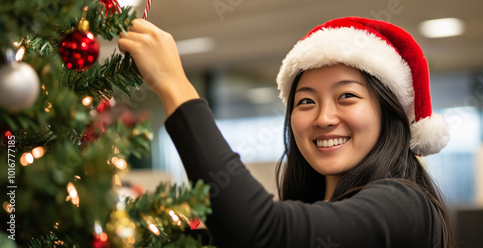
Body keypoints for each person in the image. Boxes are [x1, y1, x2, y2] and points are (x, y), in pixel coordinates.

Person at [119, 16, 455, 247]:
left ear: (388, 111)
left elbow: (257, 233)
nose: (323, 118)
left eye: (347, 96)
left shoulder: (405, 205)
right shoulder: (312, 205)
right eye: (306, 101)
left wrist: (173, 84)